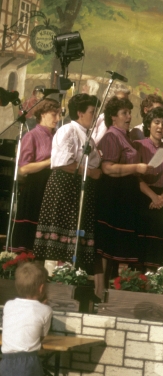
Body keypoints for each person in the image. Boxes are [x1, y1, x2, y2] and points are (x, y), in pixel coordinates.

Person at [33, 94, 101, 281]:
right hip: (64, 187)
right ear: (80, 113)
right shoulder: (68, 130)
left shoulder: (87, 135)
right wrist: (90, 172)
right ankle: (53, 278)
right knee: (59, 233)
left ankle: (72, 276)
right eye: (92, 112)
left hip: (79, 189)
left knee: (76, 234)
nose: (94, 116)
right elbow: (62, 162)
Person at [95, 96, 149, 271]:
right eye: (124, 113)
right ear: (113, 117)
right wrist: (137, 167)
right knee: (108, 245)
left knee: (120, 246)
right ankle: (102, 284)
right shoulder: (111, 136)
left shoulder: (125, 136)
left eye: (129, 113)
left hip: (126, 195)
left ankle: (119, 282)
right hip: (114, 195)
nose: (129, 116)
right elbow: (108, 168)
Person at [9, 99, 60, 253]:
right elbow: (23, 168)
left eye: (59, 114)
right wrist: (50, 161)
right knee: (30, 234)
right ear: (42, 114)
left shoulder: (58, 136)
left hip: (52, 187)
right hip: (35, 187)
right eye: (54, 114)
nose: (58, 118)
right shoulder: (31, 136)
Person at [134, 107, 163, 268]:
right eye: (156, 122)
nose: (160, 127)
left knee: (158, 240)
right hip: (142, 196)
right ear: (148, 125)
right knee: (140, 240)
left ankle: (154, 277)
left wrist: (162, 197)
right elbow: (135, 176)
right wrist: (153, 196)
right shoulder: (138, 145)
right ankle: (134, 277)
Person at [0, 262, 52, 376]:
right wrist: (43, 305)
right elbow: (42, 336)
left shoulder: (8, 305)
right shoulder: (45, 310)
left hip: (6, 361)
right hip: (27, 361)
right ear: (41, 288)